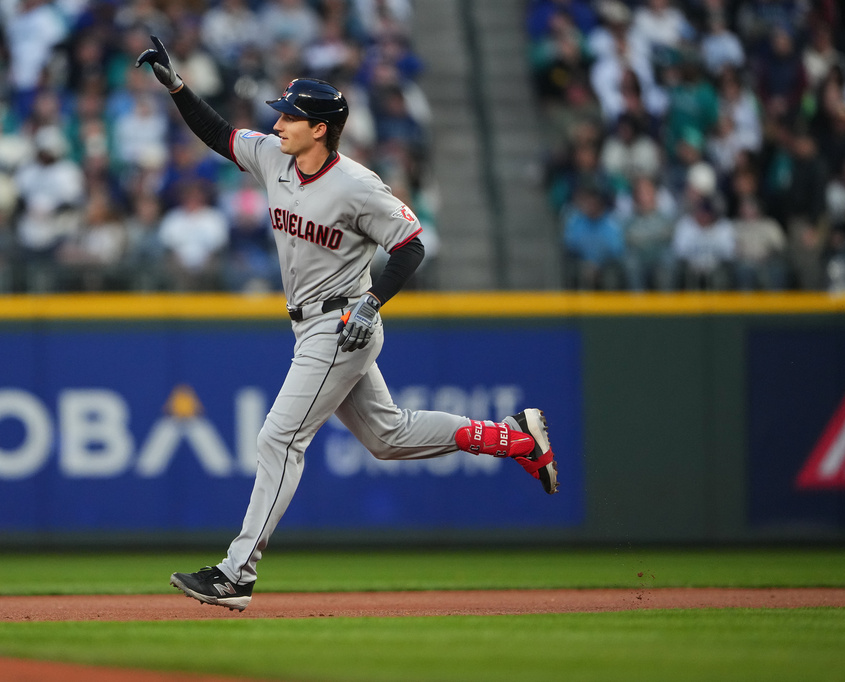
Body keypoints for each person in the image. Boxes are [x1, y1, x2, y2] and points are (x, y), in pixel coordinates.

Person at [135, 35, 558, 612]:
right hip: (310, 326)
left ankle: (237, 573)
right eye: (280, 114)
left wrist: (371, 302)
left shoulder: (357, 185)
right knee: (388, 437)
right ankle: (511, 437)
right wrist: (177, 86)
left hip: (341, 325)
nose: (279, 122)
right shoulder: (273, 159)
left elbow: (411, 246)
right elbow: (218, 134)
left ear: (321, 128)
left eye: (292, 116)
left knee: (278, 438)